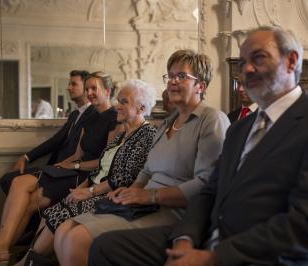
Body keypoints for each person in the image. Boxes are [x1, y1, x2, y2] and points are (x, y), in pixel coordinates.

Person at [89, 26, 308, 266]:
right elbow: (209, 192)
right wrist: (184, 239)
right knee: (107, 248)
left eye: (258, 57)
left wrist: (213, 258)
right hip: (209, 237)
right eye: (242, 63)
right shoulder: (240, 128)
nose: (247, 69)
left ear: (291, 60)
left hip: (272, 255)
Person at [53, 49, 230, 266]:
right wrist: (133, 190)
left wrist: (151, 196)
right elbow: (146, 170)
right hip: (145, 204)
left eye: (181, 76)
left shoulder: (211, 120)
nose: (173, 81)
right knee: (64, 230)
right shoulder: (166, 123)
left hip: (177, 211)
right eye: (170, 76)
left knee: (76, 240)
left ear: (200, 86)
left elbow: (207, 185)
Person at [0, 71, 118, 266]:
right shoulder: (90, 117)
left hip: (87, 174)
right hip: (73, 169)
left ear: (107, 91)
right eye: (87, 88)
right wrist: (61, 165)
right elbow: (77, 153)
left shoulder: (114, 117)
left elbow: (105, 161)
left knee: (20, 182)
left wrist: (74, 165)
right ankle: (2, 251)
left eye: (93, 88)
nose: (89, 92)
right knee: (28, 198)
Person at [13, 79, 158, 266]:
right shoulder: (123, 133)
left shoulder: (147, 135)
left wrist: (88, 193)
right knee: (53, 210)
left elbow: (123, 179)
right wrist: (80, 188)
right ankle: (29, 259)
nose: (117, 106)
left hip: (114, 195)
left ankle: (27, 263)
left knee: (61, 215)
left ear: (141, 108)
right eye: (118, 100)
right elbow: (100, 168)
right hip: (98, 189)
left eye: (124, 102)